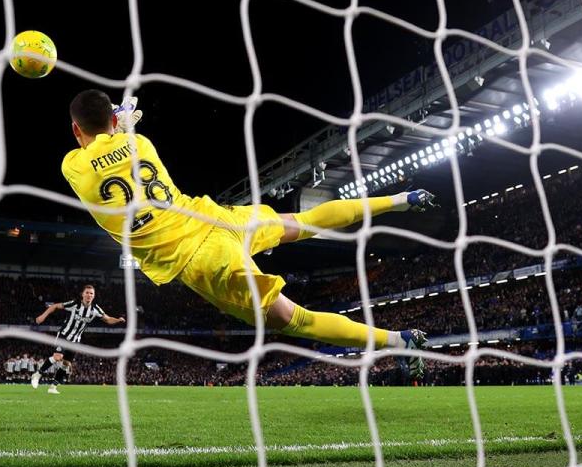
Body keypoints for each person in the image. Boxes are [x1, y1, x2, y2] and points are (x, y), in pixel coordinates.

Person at [59, 90, 435, 378]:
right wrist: (122, 123)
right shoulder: (141, 144)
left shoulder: (72, 166)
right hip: (218, 218)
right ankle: (401, 199)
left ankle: (399, 341)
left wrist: (117, 122)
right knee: (304, 223)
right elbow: (119, 142)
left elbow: (97, 151)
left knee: (298, 320)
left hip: (204, 261)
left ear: (76, 129)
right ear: (111, 120)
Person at [31, 283, 125, 394]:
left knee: (66, 364)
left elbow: (108, 319)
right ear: (83, 294)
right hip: (65, 335)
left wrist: (118, 320)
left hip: (76, 339)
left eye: (91, 293)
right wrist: (43, 316)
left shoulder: (95, 309)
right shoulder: (75, 304)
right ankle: (38, 374)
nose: (89, 295)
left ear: (93, 296)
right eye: (87, 293)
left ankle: (53, 387)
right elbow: (55, 306)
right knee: (58, 356)